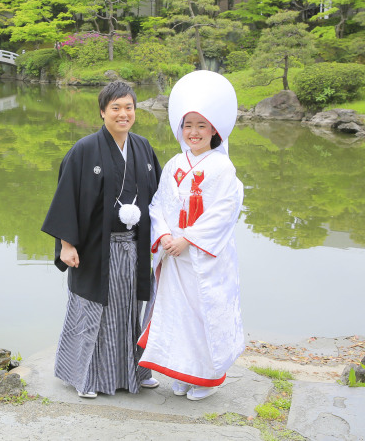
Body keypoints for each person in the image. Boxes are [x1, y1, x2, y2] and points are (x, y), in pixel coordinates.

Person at [42, 81, 163, 398]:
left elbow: (161, 198)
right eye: (116, 108)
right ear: (102, 111)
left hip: (133, 248)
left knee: (128, 312)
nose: (123, 114)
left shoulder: (143, 148)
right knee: (93, 312)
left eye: (129, 108)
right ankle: (87, 378)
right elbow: (66, 197)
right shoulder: (84, 149)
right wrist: (66, 245)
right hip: (96, 248)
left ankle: (135, 371)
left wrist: (166, 236)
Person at [137, 70, 245, 401]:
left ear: (215, 130)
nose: (194, 132)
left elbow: (224, 212)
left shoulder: (222, 168)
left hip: (204, 258)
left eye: (201, 125)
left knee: (204, 317)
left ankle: (206, 377)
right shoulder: (174, 164)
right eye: (188, 125)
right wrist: (166, 235)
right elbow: (158, 205)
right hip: (174, 257)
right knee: (176, 317)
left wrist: (188, 239)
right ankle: (182, 372)